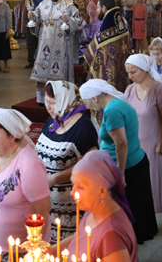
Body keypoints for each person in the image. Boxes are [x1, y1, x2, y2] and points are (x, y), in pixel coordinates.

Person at [79, 79, 158, 243]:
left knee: (129, 205)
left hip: (126, 165)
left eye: (86, 102)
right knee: (138, 203)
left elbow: (121, 144)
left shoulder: (112, 111)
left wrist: (120, 173)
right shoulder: (118, 102)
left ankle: (128, 239)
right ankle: (139, 234)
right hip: (135, 160)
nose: (86, 107)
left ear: (95, 98)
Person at [0, 109, 51, 253]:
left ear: (12, 136)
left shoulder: (29, 164)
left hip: (23, 250)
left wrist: (34, 250)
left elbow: (43, 210)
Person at [36, 81, 99, 242]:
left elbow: (88, 165)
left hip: (70, 205)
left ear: (66, 100)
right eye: (47, 102)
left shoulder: (83, 127)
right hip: (47, 201)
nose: (48, 107)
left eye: (52, 102)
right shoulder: (53, 120)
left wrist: (55, 178)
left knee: (68, 249)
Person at [58, 150, 138, 262]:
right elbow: (79, 238)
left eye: (80, 187)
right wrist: (51, 250)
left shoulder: (111, 238)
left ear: (102, 191)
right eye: (73, 184)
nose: (72, 192)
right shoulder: (93, 210)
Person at [124, 53, 162, 214]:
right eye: (128, 73)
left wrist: (161, 142)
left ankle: (152, 215)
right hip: (135, 143)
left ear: (144, 70)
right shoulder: (130, 89)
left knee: (152, 179)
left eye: (133, 72)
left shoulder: (158, 90)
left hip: (153, 142)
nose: (130, 76)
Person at [30, 0, 82, 102]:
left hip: (61, 44)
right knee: (42, 73)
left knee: (60, 73)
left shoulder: (68, 5)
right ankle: (42, 100)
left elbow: (78, 20)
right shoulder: (43, 4)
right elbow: (35, 21)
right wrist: (32, 17)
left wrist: (68, 20)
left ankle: (60, 99)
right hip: (44, 43)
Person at [83, 0, 132, 92]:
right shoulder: (122, 24)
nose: (97, 10)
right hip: (122, 71)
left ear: (104, 8)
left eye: (98, 7)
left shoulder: (104, 32)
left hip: (107, 74)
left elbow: (90, 52)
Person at [26, 0, 47, 69]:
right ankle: (31, 61)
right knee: (30, 43)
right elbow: (25, 8)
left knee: (40, 43)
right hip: (30, 22)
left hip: (40, 23)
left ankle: (40, 61)